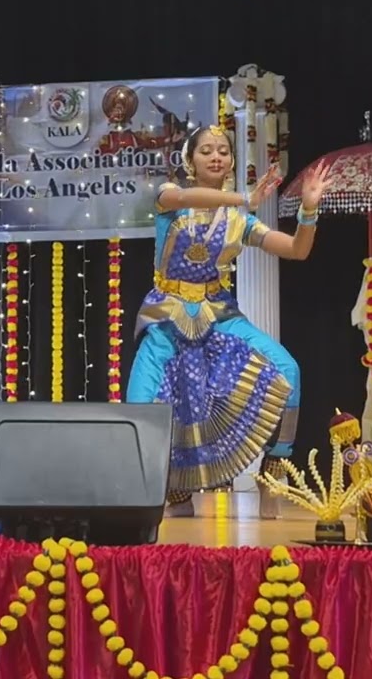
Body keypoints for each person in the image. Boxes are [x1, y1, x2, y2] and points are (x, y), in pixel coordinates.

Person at [126, 123, 331, 519]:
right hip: (168, 319)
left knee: (287, 369)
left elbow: (295, 250)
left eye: (223, 150)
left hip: (219, 317)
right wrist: (244, 197)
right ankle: (168, 489)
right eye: (206, 150)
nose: (216, 156)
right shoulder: (170, 198)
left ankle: (273, 471)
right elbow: (186, 196)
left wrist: (309, 210)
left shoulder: (240, 223)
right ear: (190, 160)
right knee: (140, 409)